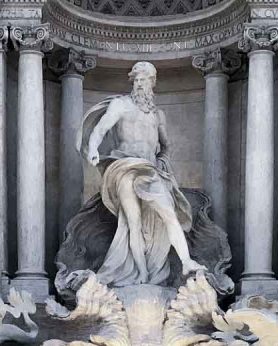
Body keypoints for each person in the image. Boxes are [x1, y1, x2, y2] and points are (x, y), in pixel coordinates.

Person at [79, 61, 206, 287]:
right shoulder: (121, 105)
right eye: (136, 79)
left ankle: (186, 261)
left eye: (144, 80)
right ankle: (141, 275)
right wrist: (94, 149)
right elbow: (100, 129)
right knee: (132, 222)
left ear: (152, 83)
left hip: (150, 170)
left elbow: (166, 145)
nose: (139, 83)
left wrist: (163, 162)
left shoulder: (158, 115)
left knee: (169, 214)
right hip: (124, 166)